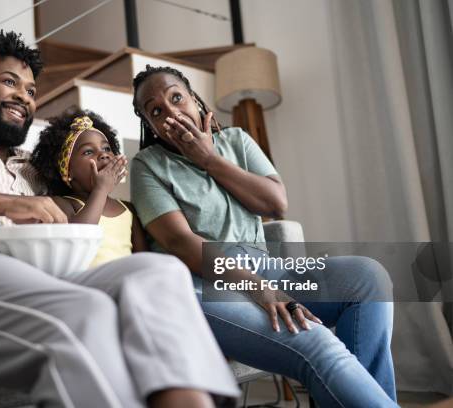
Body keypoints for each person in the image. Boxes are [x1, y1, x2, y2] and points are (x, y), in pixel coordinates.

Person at [0, 32, 240, 408]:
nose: (24, 97)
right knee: (84, 313)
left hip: (24, 272)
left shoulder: (33, 171)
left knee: (158, 274)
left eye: (30, 91)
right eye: (10, 82)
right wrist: (0, 203)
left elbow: (81, 178)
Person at [130, 65, 398, 407]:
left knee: (368, 278)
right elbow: (181, 243)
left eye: (176, 97)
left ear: (195, 99)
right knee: (316, 342)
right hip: (204, 284)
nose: (171, 111)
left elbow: (275, 202)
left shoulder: (237, 140)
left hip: (264, 264)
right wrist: (258, 288)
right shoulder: (147, 165)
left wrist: (209, 159)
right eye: (156, 111)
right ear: (150, 125)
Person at [31, 108, 147, 267]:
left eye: (106, 148)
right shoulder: (63, 204)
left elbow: (145, 259)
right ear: (67, 171)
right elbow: (78, 242)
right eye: (88, 152)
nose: (103, 154)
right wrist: (101, 190)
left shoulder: (128, 209)